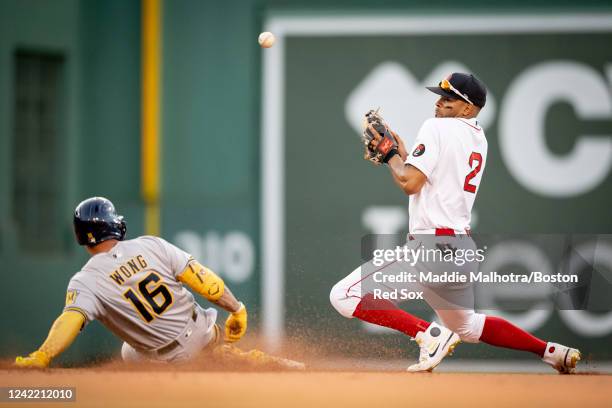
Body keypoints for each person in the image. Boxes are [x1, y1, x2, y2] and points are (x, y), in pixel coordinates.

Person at [330, 72, 581, 373]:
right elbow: (430, 178)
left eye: (448, 100)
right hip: (460, 251)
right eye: (439, 97)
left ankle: (428, 334)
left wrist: (391, 157)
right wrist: (404, 155)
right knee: (468, 326)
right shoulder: (478, 138)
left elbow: (410, 183)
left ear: (467, 108)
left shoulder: (436, 127)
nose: (439, 103)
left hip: (430, 249)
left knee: (344, 295)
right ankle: (552, 352)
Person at [15, 197, 248, 367]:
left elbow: (69, 321)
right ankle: (232, 356)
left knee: (130, 352)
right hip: (200, 333)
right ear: (110, 224)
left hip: (162, 360)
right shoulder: (151, 245)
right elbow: (207, 283)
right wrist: (236, 309)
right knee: (218, 347)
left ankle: (213, 359)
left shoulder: (85, 281)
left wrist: (43, 355)